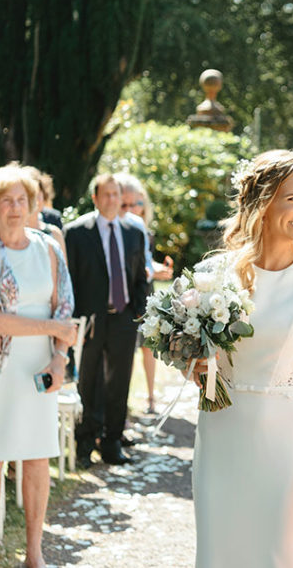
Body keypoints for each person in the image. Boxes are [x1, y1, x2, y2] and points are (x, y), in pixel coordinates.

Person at [191, 150, 293, 567]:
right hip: (222, 433)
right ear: (262, 204)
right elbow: (203, 360)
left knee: (279, 555)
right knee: (221, 553)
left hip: (290, 441)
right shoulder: (217, 277)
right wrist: (197, 366)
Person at [0, 164, 77, 568]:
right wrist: (53, 328)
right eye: (6, 200)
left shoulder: (49, 247)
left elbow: (66, 307)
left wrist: (59, 359)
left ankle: (34, 553)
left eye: (22, 200)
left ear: (32, 205)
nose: (15, 207)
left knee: (37, 457)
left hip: (40, 365)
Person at [64, 173, 150, 467]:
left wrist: (138, 310)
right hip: (91, 318)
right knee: (89, 380)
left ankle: (112, 441)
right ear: (95, 199)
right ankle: (86, 440)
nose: (112, 200)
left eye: (116, 194)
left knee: (119, 380)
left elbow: (141, 277)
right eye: (107, 194)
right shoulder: (76, 232)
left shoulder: (133, 232)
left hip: (124, 318)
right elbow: (70, 279)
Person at [116, 173, 173, 415]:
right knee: (126, 350)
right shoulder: (117, 229)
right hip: (125, 295)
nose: (132, 209)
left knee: (149, 346)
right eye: (125, 204)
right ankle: (122, 404)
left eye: (137, 203)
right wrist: (152, 271)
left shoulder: (144, 231)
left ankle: (151, 397)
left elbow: (145, 262)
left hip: (144, 292)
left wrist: (158, 269)